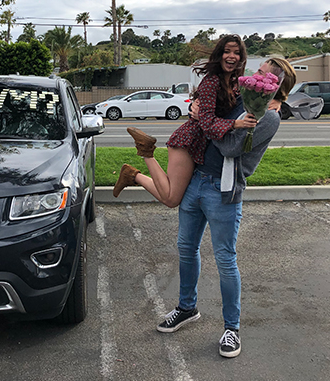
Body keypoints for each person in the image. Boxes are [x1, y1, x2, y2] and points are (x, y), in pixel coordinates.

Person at [156, 56, 296, 358]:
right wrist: (200, 113)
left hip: (224, 190)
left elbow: (232, 147)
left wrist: (207, 124)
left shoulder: (268, 116)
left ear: (276, 85)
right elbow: (209, 113)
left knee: (225, 259)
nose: (253, 77)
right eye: (257, 72)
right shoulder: (240, 99)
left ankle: (231, 329)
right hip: (197, 180)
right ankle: (186, 307)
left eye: (262, 75)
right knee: (186, 248)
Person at [113, 35, 257, 206]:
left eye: (236, 53)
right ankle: (142, 157)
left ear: (242, 57)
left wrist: (274, 101)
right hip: (188, 141)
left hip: (201, 143)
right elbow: (207, 122)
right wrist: (236, 123)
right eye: (226, 52)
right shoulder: (212, 81)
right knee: (171, 198)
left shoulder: (234, 83)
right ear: (219, 55)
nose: (231, 56)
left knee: (172, 191)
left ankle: (133, 174)